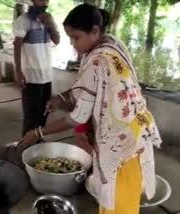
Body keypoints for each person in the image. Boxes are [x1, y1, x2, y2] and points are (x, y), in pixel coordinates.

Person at [20, 4, 162, 214]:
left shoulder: (97, 59)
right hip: (135, 132)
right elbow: (95, 87)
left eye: (76, 37)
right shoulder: (113, 44)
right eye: (70, 38)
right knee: (114, 200)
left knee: (118, 203)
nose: (72, 44)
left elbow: (76, 119)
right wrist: (61, 97)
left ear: (95, 30)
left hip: (120, 146)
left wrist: (38, 132)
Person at [13, 0, 60, 138]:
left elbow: (57, 41)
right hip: (30, 76)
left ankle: (38, 142)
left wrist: (50, 24)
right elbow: (17, 46)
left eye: (46, 1)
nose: (44, 2)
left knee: (44, 112)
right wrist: (18, 71)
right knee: (31, 114)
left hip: (46, 74)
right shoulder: (23, 20)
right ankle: (26, 144)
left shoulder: (48, 19)